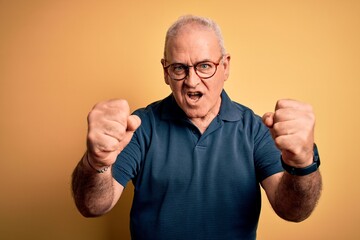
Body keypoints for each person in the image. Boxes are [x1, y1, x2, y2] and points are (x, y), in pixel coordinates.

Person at [72, 15, 322, 239]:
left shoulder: (254, 129)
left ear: (225, 67)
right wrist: (96, 163)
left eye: (204, 66)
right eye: (179, 68)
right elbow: (93, 206)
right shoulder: (140, 126)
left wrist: (303, 165)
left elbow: (292, 211)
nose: (192, 82)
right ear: (166, 72)